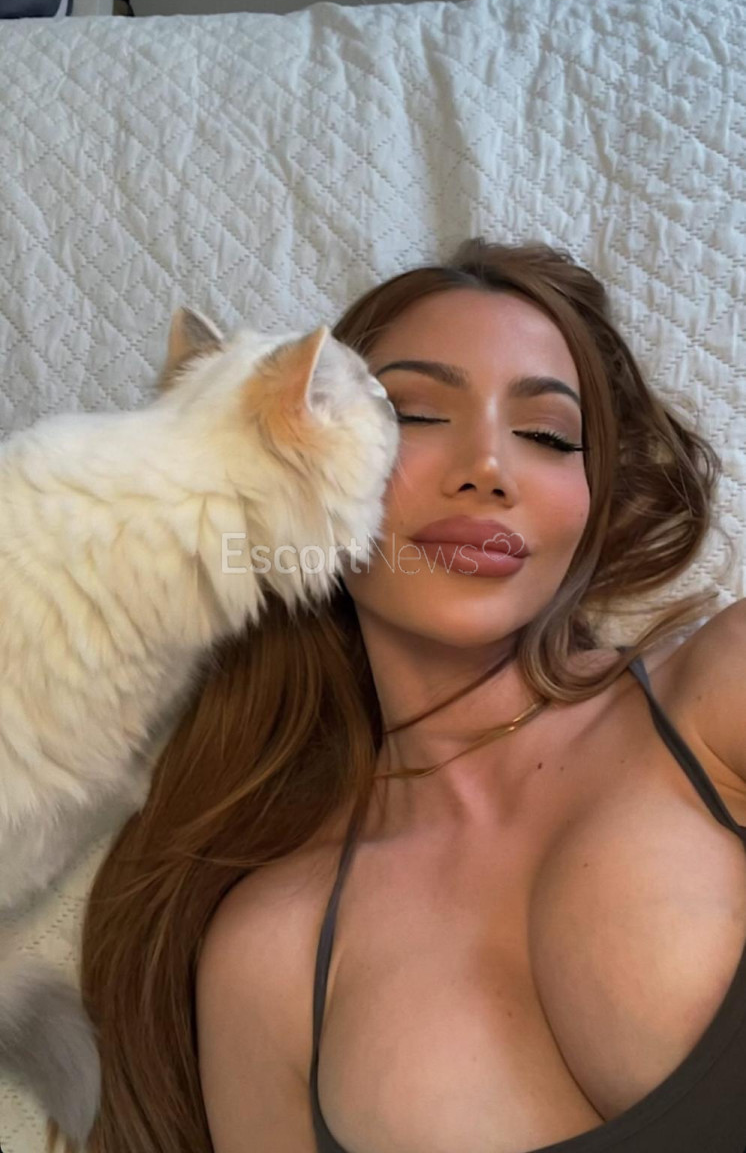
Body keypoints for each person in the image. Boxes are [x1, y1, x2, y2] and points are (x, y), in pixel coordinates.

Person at [76, 238, 746, 1153]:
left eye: (549, 436)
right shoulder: (270, 957)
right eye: (413, 417)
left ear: (591, 505)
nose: (489, 467)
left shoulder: (720, 695)